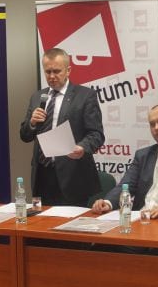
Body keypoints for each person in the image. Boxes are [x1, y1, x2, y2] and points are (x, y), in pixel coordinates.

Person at [20, 47, 105, 206]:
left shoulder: (85, 96)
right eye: (48, 72)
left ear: (68, 70)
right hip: (42, 176)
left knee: (70, 221)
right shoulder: (37, 97)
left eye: (57, 71)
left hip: (73, 176)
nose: (52, 76)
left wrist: (82, 147)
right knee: (41, 220)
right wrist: (31, 123)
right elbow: (25, 136)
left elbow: (96, 134)